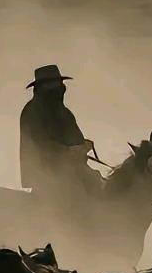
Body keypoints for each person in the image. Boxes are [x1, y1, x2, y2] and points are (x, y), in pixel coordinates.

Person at [19, 65, 102, 199]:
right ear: (42, 88)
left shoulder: (64, 112)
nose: (58, 87)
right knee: (76, 197)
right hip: (46, 172)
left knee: (100, 185)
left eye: (58, 83)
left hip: (72, 170)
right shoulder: (32, 111)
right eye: (53, 84)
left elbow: (75, 138)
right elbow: (38, 143)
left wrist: (83, 145)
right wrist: (69, 151)